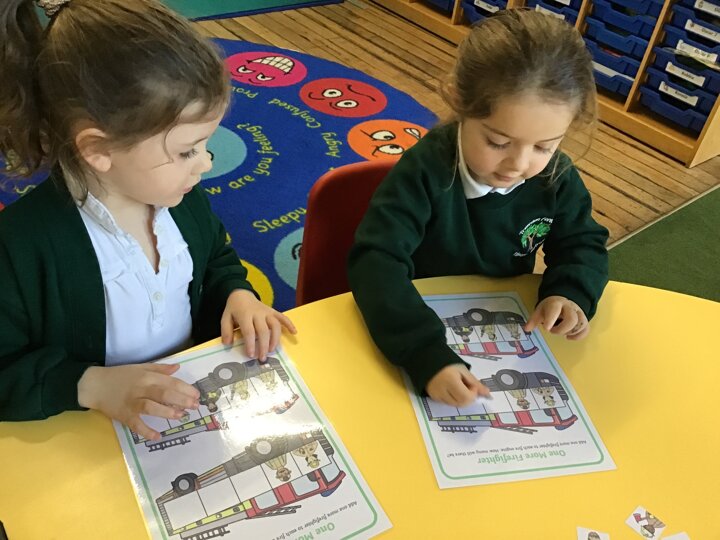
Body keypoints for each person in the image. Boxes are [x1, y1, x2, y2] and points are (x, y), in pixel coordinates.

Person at [0, 0, 296, 439]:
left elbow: (215, 258)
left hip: (182, 414)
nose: (206, 164)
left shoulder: (181, 199)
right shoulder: (20, 247)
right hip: (86, 438)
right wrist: (89, 384)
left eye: (204, 145)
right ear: (98, 149)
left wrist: (237, 294)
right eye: (186, 151)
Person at [348, 10, 609, 408]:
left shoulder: (555, 176)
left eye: (544, 146)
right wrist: (424, 353)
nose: (519, 164)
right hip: (417, 320)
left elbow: (582, 242)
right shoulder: (425, 172)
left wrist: (570, 292)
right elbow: (375, 261)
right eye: (498, 142)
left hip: (502, 327)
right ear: (459, 101)